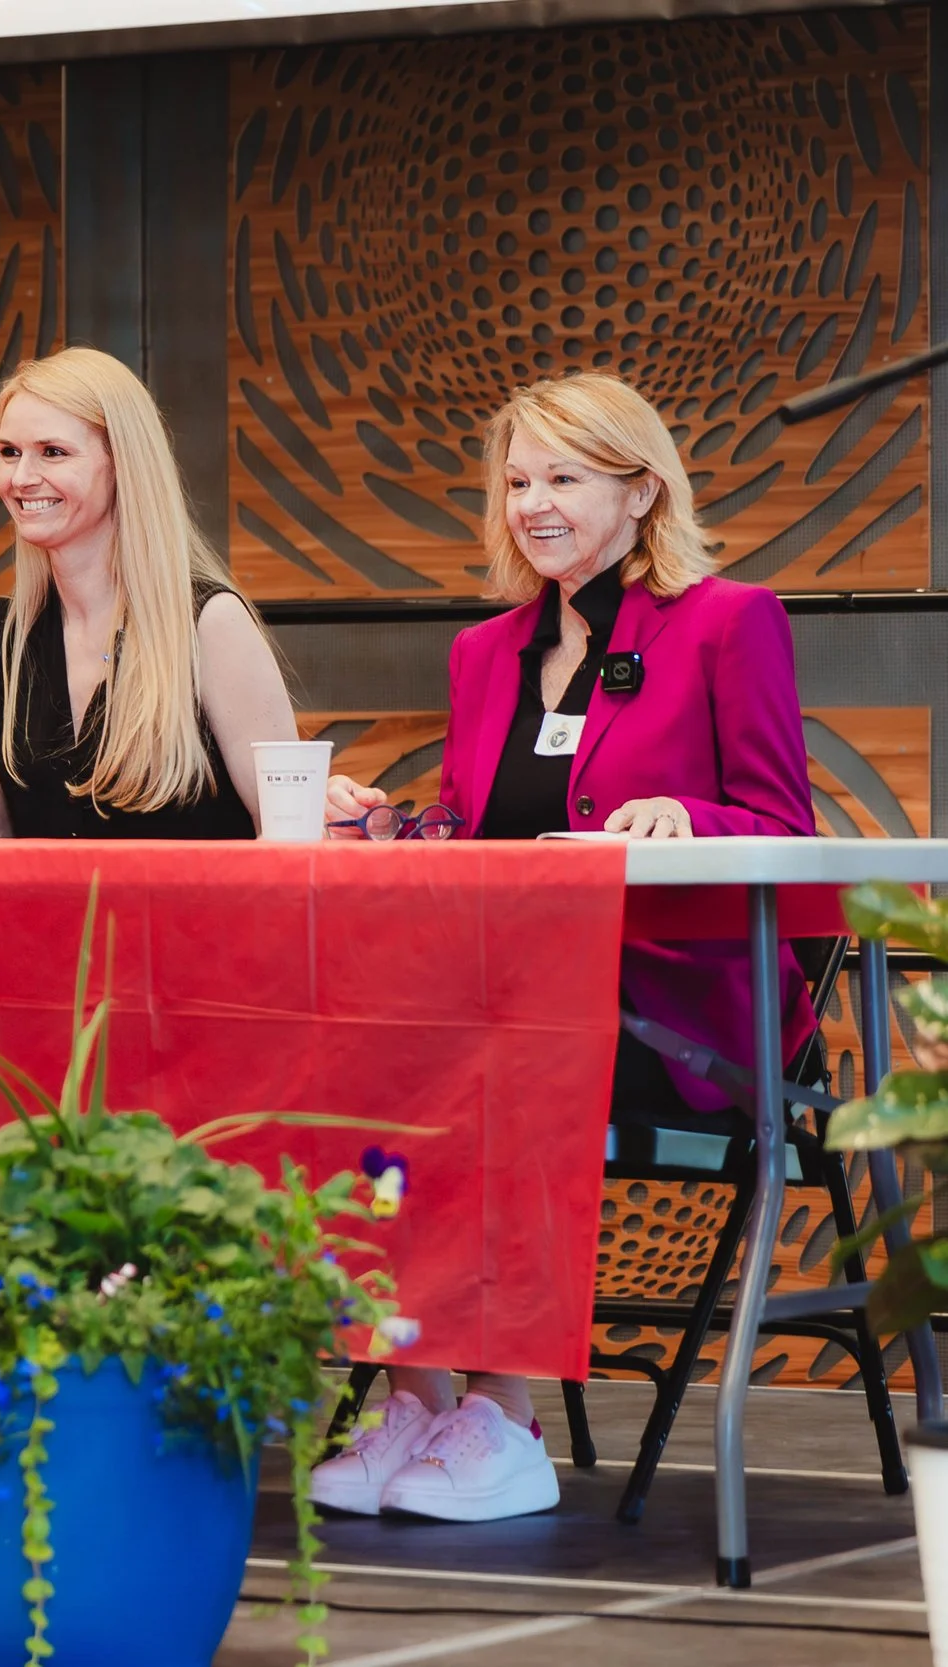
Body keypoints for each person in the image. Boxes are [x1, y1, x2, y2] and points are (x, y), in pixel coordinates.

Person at [314, 371, 814, 1523]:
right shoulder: (486, 652)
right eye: (518, 479)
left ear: (642, 492)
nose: (533, 502)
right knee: (360, 1050)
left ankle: (504, 1412)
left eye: (565, 479)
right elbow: (473, 829)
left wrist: (692, 814)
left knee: (494, 1060)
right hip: (512, 990)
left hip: (676, 1007)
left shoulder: (728, 621)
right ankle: (417, 1397)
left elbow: (785, 827)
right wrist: (387, 821)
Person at [0, 347, 296, 840]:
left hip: (191, 920)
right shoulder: (2, 636)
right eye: (9, 452)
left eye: (52, 451)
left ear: (123, 464)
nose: (21, 478)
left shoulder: (211, 624)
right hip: (43, 921)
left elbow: (288, 834)